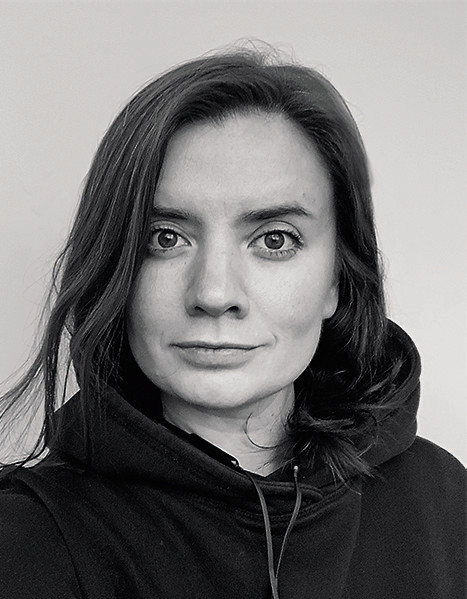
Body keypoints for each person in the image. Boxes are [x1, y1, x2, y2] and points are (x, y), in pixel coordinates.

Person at [0, 45, 464, 599]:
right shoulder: (25, 541)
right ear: (116, 269)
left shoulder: (444, 502)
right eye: (165, 238)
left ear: (337, 281)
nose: (215, 294)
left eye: (275, 240)